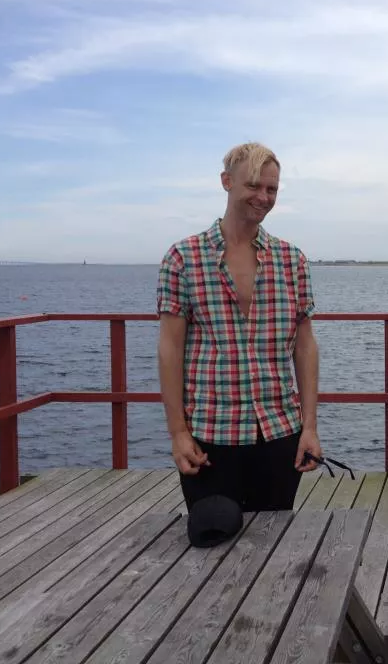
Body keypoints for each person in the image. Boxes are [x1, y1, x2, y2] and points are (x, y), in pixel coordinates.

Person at [156, 142, 322, 514]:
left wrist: (309, 427)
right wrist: (178, 432)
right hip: (209, 436)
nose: (263, 197)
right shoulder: (184, 258)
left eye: (271, 189)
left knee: (274, 538)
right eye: (253, 185)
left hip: (279, 431)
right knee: (212, 536)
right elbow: (170, 348)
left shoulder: (291, 260)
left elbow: (305, 346)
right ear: (226, 181)